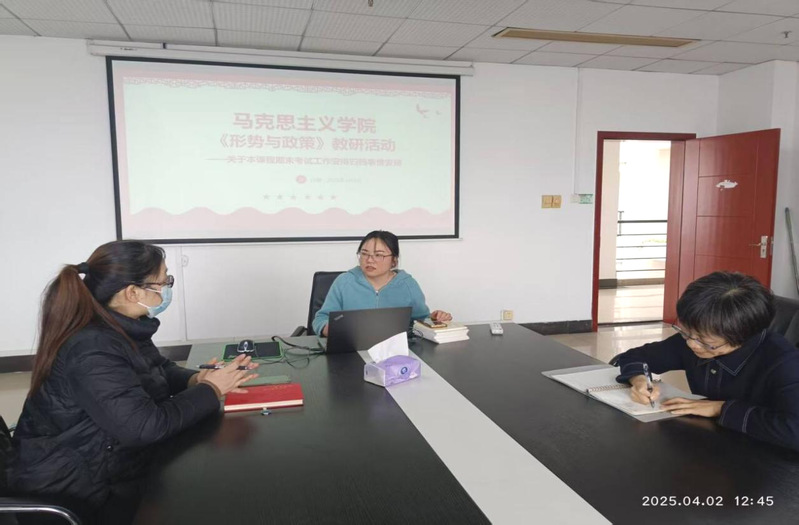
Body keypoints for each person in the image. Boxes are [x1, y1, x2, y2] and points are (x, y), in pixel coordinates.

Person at [7, 240, 257, 524]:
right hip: (76, 486)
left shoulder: (119, 325)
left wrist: (197, 378)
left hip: (107, 462)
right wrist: (211, 389)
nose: (167, 289)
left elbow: (157, 369)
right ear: (132, 292)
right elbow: (144, 427)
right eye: (163, 282)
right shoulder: (91, 349)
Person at [614, 271, 799, 452]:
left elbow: (794, 430)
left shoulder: (785, 362)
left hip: (763, 456)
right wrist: (639, 380)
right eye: (686, 332)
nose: (692, 344)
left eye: (706, 341)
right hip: (708, 445)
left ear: (743, 337)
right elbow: (636, 356)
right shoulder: (696, 336)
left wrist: (720, 408)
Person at [313, 230, 451, 336]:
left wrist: (435, 319)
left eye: (378, 255)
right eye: (364, 253)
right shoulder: (344, 282)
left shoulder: (408, 285)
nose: (369, 260)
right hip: (349, 351)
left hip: (396, 354)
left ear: (394, 260)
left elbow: (420, 321)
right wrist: (327, 329)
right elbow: (321, 318)